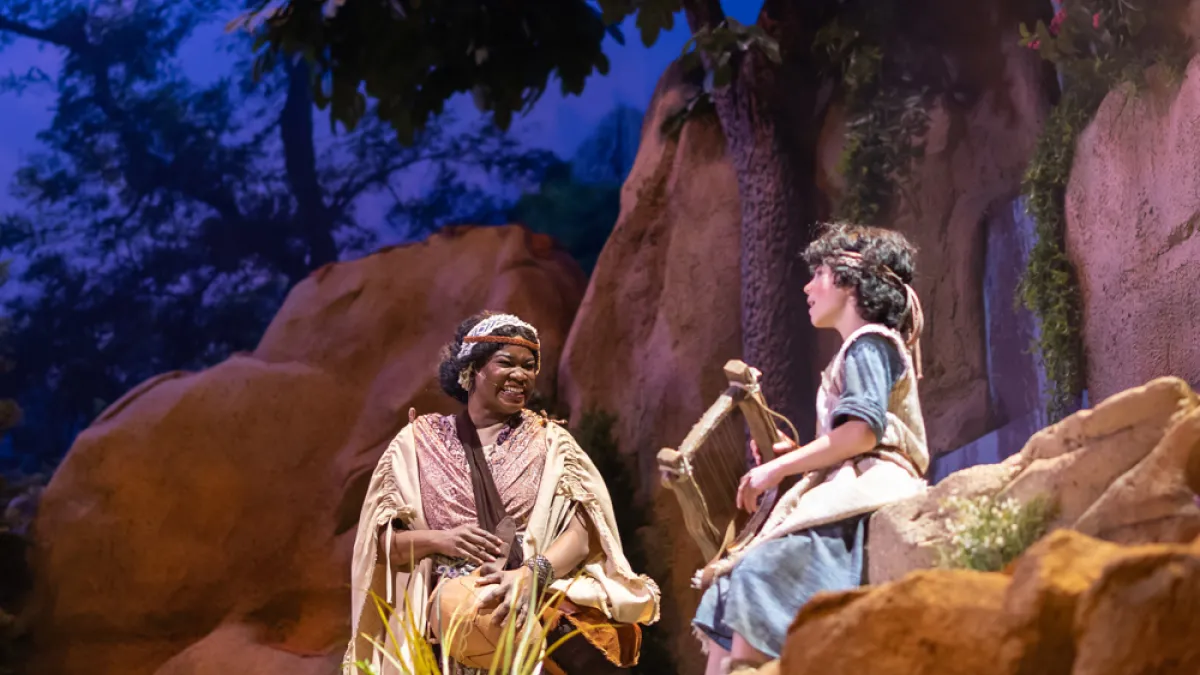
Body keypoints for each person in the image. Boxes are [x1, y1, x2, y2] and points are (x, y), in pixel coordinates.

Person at [344, 311, 660, 675]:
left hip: (525, 621)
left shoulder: (551, 443)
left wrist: (531, 575)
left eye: (529, 366)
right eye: (506, 363)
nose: (521, 375)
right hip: (442, 635)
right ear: (470, 370)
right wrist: (441, 540)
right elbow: (381, 545)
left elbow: (582, 532)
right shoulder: (418, 444)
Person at [690, 224, 930, 674]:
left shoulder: (870, 342)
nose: (807, 285)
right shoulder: (855, 350)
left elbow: (861, 434)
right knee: (726, 589)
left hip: (870, 490)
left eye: (818, 272)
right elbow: (849, 439)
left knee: (761, 571)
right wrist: (797, 454)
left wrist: (777, 471)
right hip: (850, 483)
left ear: (850, 281)